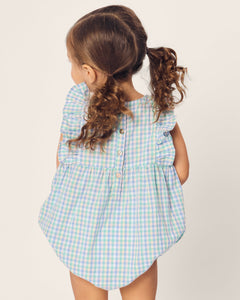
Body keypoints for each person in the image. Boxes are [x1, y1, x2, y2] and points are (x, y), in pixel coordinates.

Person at [38, 4, 189, 300]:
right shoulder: (157, 111)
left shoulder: (78, 108)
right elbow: (181, 172)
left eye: (72, 63)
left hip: (83, 236)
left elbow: (62, 163)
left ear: (89, 72)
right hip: (139, 240)